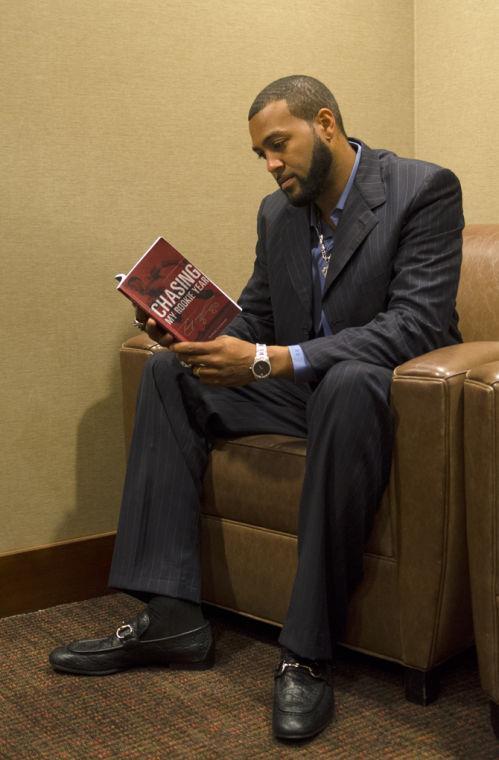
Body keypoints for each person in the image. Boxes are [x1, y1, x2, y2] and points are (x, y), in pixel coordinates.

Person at [49, 75, 464, 741]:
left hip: (386, 400)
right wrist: (191, 336)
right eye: (260, 155)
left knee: (349, 382)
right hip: (304, 391)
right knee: (168, 376)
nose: (270, 165)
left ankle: (305, 651)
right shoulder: (278, 214)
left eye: (279, 146)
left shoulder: (423, 190)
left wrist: (271, 360)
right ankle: (173, 615)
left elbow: (412, 326)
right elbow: (260, 320)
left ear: (324, 123)